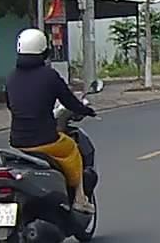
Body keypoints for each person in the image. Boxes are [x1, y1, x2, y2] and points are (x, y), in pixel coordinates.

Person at [6, 28, 96, 213]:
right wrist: (86, 110)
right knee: (72, 149)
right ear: (44, 52)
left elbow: (10, 105)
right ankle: (80, 199)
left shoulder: (11, 77)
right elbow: (69, 101)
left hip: (18, 142)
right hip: (45, 139)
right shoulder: (49, 75)